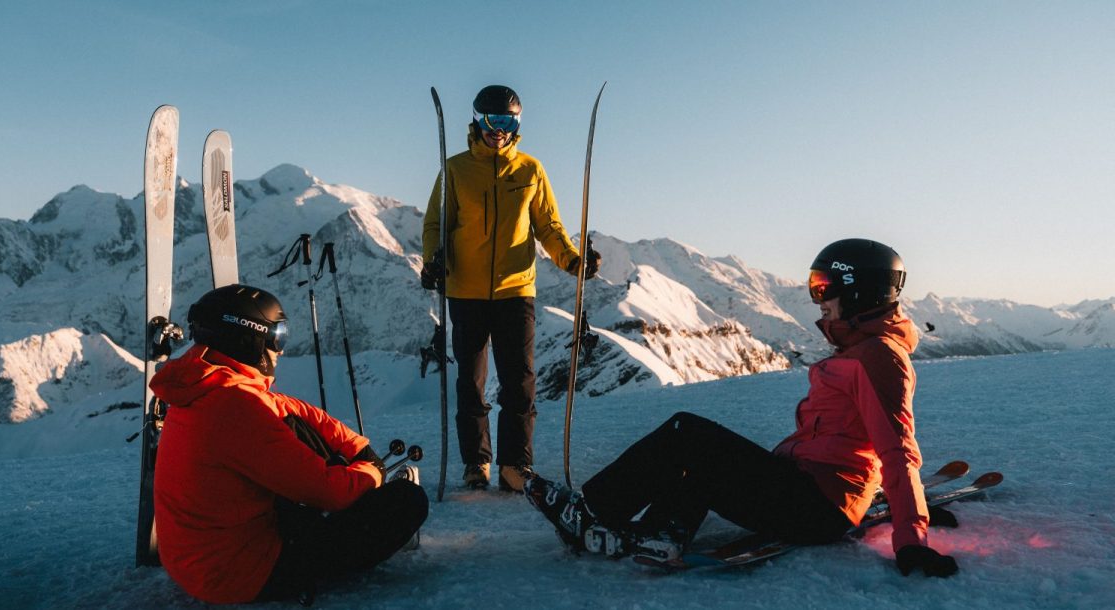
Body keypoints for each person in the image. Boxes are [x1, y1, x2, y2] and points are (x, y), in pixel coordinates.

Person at [524, 238, 961, 578]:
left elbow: (896, 447)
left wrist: (911, 536)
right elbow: (853, 442)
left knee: (686, 433)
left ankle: (591, 512)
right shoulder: (859, 349)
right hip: (810, 491)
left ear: (860, 292)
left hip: (816, 507)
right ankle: (656, 534)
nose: (817, 298)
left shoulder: (876, 356)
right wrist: (878, 494)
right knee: (701, 467)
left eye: (824, 286)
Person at [151, 284, 428, 604]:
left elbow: (289, 409)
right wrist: (372, 472)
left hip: (198, 564)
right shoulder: (237, 410)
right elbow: (330, 492)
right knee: (407, 501)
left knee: (296, 428)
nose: (280, 349)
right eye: (276, 337)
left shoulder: (208, 387)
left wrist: (358, 448)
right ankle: (376, 504)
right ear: (248, 339)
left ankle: (356, 488)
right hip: (241, 574)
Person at [421, 84, 602, 492]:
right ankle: (476, 464)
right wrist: (434, 260)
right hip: (465, 291)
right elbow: (437, 225)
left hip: (515, 290)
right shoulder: (454, 170)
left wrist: (573, 260)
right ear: (476, 120)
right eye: (490, 120)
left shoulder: (531, 171)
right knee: (471, 381)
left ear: (516, 125)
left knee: (519, 381)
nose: (497, 130)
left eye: (507, 122)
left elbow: (549, 227)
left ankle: (515, 466)